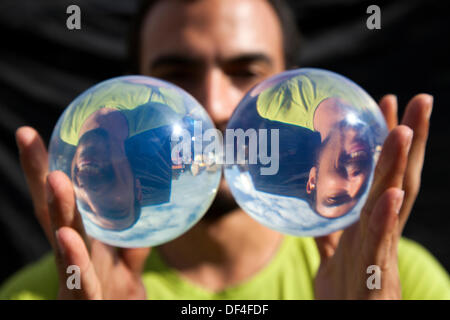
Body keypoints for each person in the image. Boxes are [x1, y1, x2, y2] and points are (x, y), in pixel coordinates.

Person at [1, 0, 449, 299]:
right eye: (176, 75)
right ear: (134, 89)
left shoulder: (401, 280)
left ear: (286, 83)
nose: (213, 107)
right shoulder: (49, 291)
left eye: (245, 72)